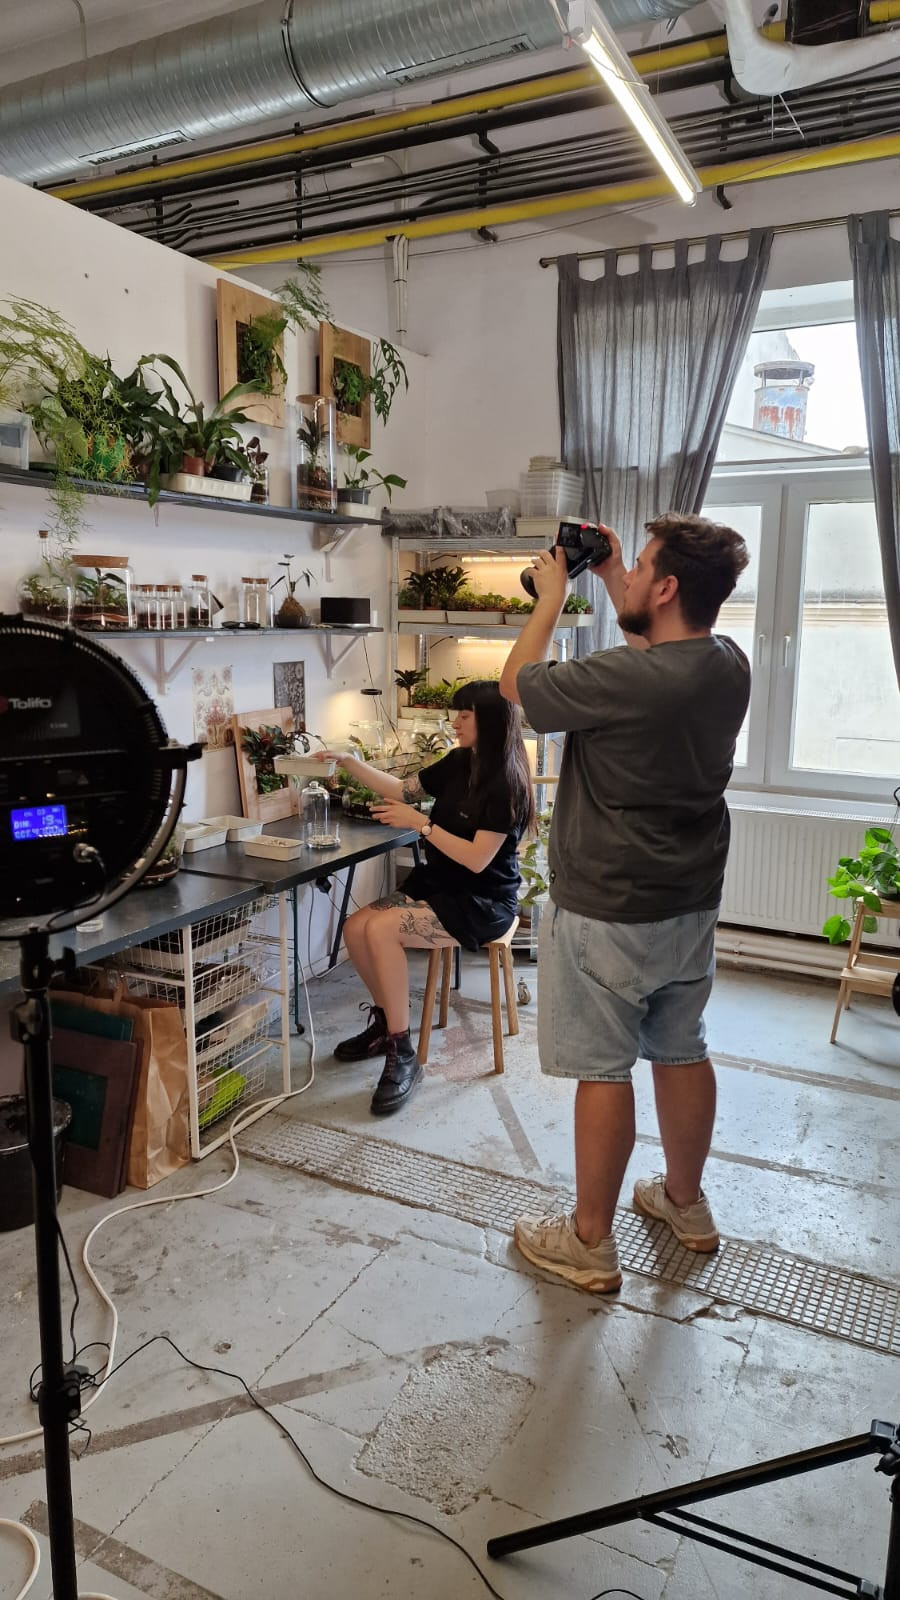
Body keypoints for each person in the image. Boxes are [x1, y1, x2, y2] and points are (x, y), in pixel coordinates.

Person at [499, 512, 751, 1294]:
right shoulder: (727, 664)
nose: (631, 573)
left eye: (640, 566)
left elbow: (515, 687)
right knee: (681, 1048)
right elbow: (656, 649)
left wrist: (551, 598)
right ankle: (686, 1204)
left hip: (607, 908)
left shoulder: (620, 679)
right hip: (689, 901)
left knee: (603, 1071)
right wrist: (612, 574)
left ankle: (589, 1242)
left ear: (668, 588)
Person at [319, 681, 534, 1116]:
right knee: (355, 928)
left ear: (490, 722)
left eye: (465, 715)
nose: (455, 723)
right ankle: (386, 1026)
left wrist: (421, 825)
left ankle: (403, 1053)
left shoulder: (506, 784)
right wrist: (350, 762)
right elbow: (402, 790)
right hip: (440, 884)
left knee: (380, 930)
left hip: (482, 900)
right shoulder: (459, 761)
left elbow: (477, 860)